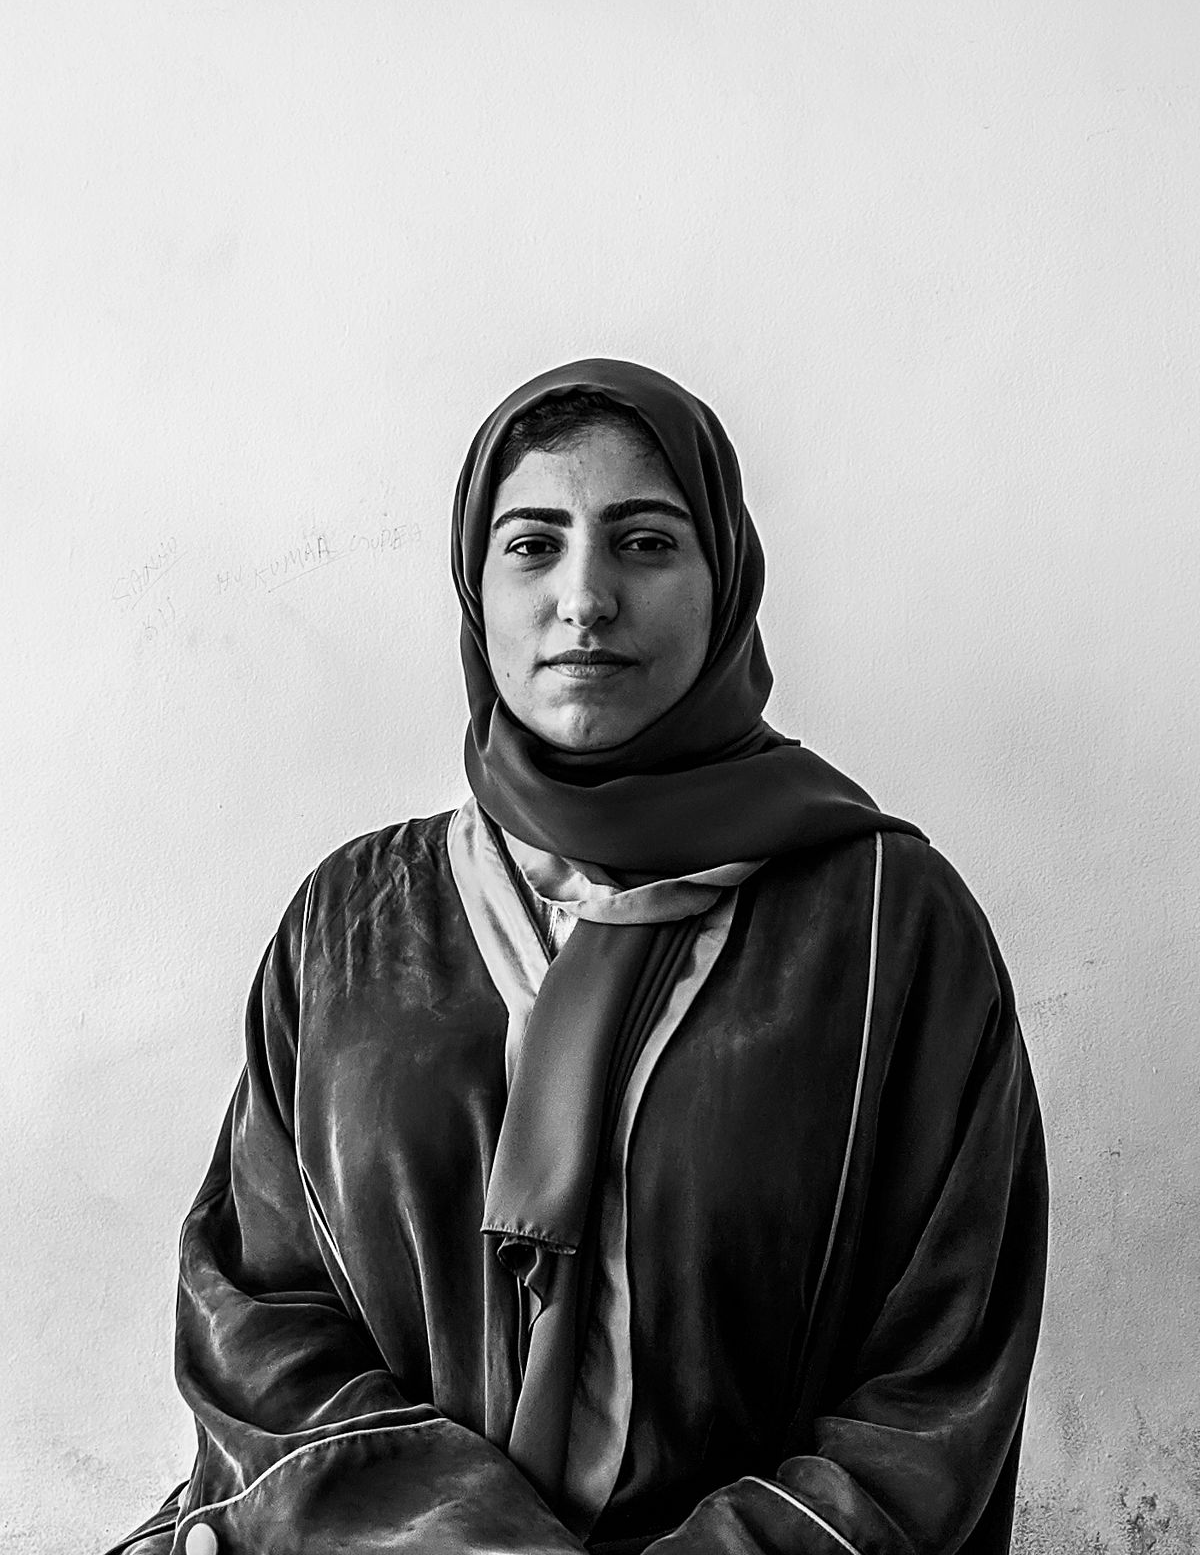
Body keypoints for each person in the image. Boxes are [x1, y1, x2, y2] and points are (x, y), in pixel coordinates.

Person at [106, 359, 1048, 1555]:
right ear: (476, 587)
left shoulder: (889, 930)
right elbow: (256, 1309)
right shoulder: (349, 925)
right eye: (533, 546)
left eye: (645, 543)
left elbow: (938, 1381)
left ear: (726, 581)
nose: (586, 598)